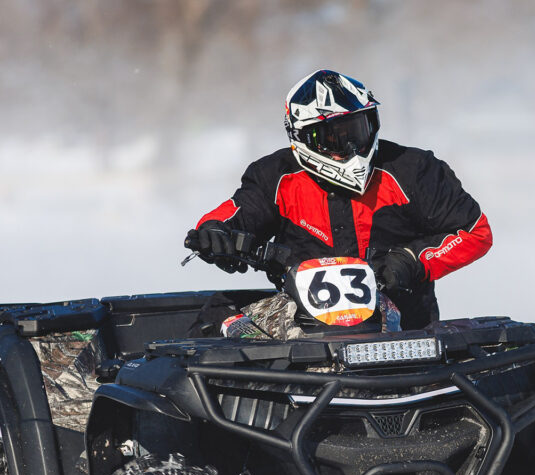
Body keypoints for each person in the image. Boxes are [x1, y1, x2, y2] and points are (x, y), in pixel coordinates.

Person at [186, 69, 492, 330]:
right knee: (217, 316)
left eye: (359, 130)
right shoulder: (274, 176)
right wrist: (216, 234)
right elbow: (236, 213)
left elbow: (474, 231)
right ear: (303, 137)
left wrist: (411, 260)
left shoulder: (414, 170)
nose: (353, 147)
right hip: (302, 327)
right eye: (335, 137)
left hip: (401, 326)